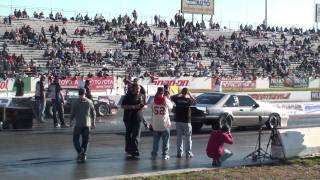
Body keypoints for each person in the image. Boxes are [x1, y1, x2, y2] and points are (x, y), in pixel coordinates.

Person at [70, 88, 96, 163]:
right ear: (85, 93)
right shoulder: (89, 101)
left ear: (78, 93)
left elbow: (72, 113)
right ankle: (83, 154)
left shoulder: (75, 102)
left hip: (78, 124)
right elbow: (93, 113)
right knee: (86, 141)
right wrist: (93, 122)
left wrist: (70, 121)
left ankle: (80, 152)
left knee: (75, 140)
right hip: (87, 124)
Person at [121, 84, 147, 158]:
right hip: (128, 118)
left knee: (136, 135)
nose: (138, 90)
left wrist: (143, 106)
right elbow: (122, 106)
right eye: (137, 89)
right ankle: (128, 148)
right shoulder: (128, 96)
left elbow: (146, 105)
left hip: (138, 118)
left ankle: (134, 150)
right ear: (133, 89)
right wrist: (133, 107)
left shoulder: (142, 95)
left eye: (139, 88)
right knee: (128, 134)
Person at [171, 87, 196, 158]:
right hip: (186, 121)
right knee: (188, 138)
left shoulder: (177, 99)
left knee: (179, 137)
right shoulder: (188, 100)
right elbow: (195, 102)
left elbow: (171, 97)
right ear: (187, 93)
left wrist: (179, 93)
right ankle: (188, 153)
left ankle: (179, 153)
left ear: (182, 92)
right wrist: (190, 95)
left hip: (178, 120)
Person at [151, 87, 173, 160]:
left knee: (155, 142)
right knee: (165, 142)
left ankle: (154, 154)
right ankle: (165, 154)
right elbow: (171, 107)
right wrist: (167, 98)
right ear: (163, 92)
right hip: (165, 124)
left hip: (156, 124)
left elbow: (151, 108)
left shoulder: (153, 100)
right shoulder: (166, 100)